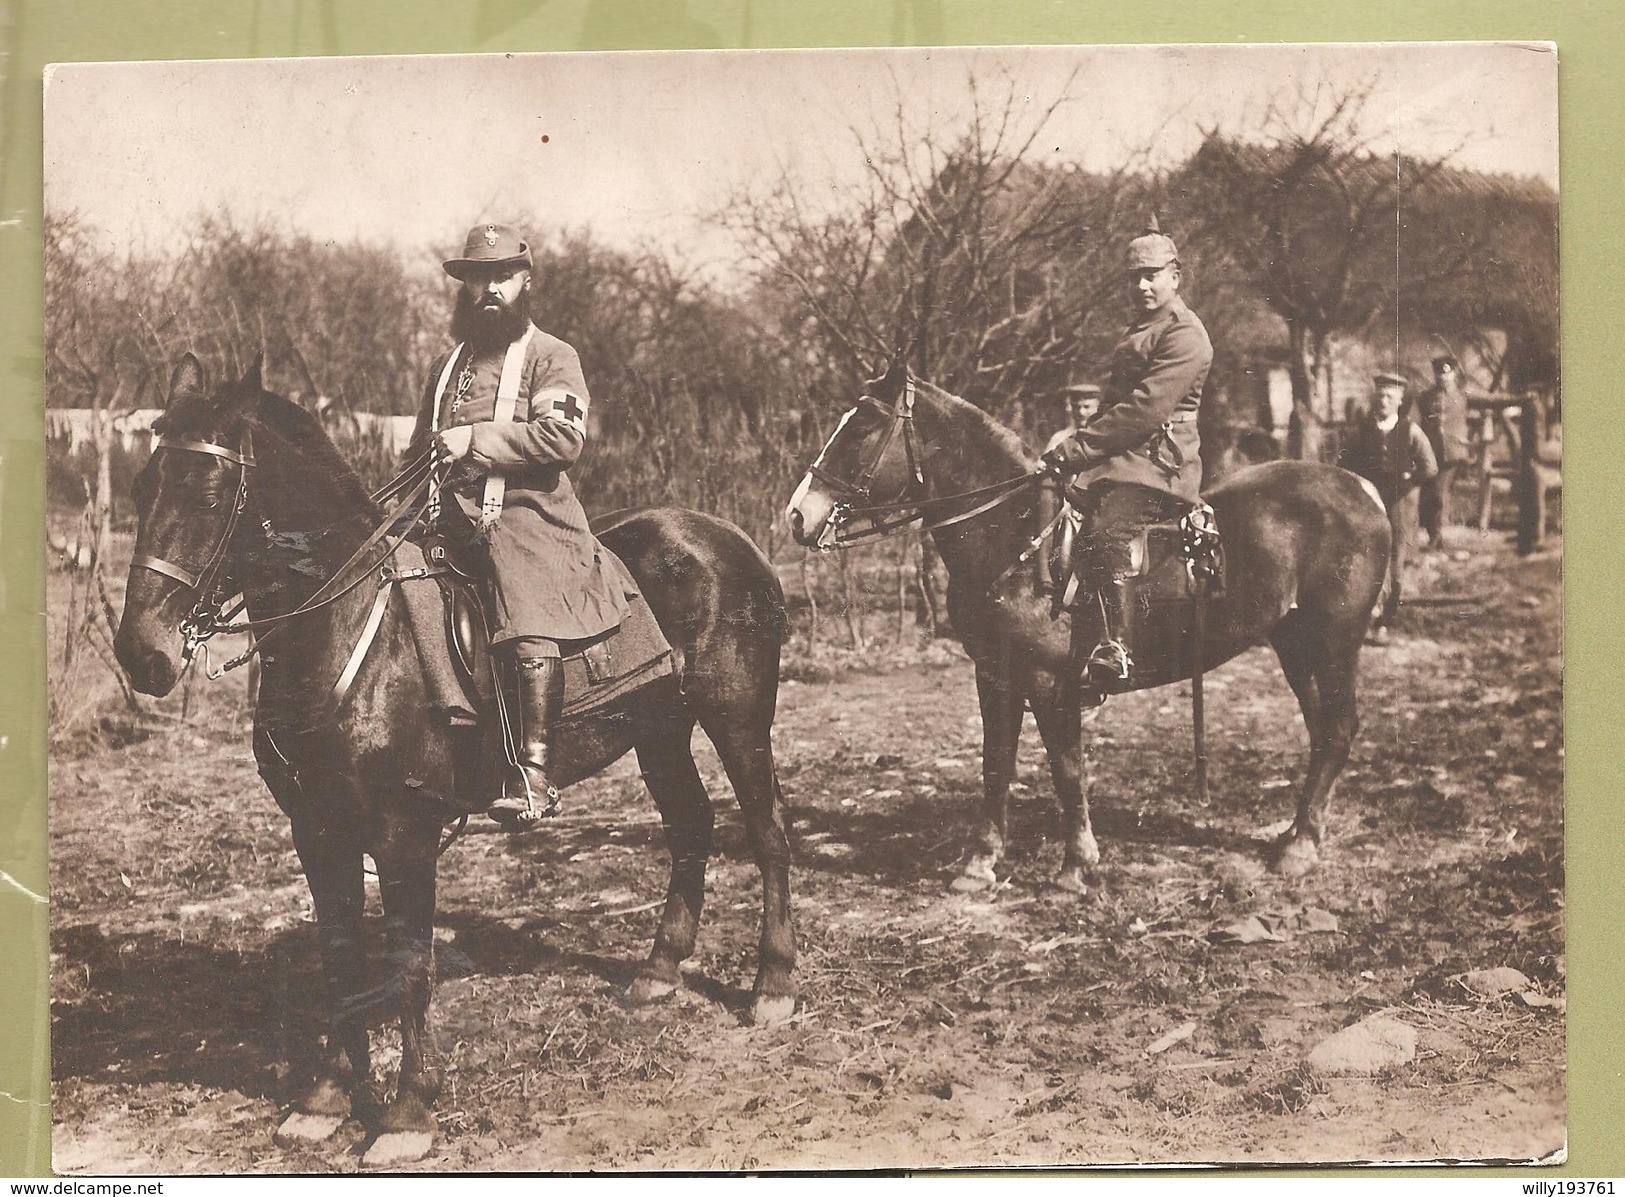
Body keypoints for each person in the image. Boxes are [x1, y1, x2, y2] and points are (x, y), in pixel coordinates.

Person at [409, 222, 632, 831]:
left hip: (529, 517)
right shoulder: (444, 366)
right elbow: (415, 456)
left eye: (502, 276)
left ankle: (532, 774)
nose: (489, 288)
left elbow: (562, 438)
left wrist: (475, 440)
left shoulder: (552, 356)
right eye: (477, 277)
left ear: (524, 281)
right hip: (444, 518)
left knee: (519, 592)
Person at [1042, 217, 1213, 688]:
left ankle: (1114, 646)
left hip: (1159, 464)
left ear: (1174, 277)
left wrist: (1076, 450)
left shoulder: (1184, 334)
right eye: (1134, 277)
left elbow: (1143, 409)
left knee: (1108, 530)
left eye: (1151, 274)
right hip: (1122, 460)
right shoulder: (1141, 328)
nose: (1141, 285)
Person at [1338, 372, 1438, 639]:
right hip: (1368, 503)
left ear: (1399, 401)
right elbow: (1342, 465)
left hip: (1400, 505)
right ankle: (1363, 618)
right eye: (1379, 396)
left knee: (1395, 564)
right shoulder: (1360, 431)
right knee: (1364, 559)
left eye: (1389, 397)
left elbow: (1430, 468)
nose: (1383, 402)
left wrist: (1409, 481)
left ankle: (1386, 621)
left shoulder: (1411, 431)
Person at [1033, 384, 1101, 600]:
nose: (1081, 412)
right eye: (1077, 406)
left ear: (1098, 406)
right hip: (1063, 501)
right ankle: (1044, 574)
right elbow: (1044, 466)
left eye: (1087, 406)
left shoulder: (1103, 435)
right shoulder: (1060, 438)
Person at [1415, 354, 1472, 549]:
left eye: (1446, 374)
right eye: (1439, 374)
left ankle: (1435, 537)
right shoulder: (1426, 397)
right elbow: (1415, 419)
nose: (1442, 378)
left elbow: (1493, 399)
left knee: (1438, 493)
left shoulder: (1464, 396)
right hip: (1430, 452)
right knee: (1431, 493)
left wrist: (1521, 398)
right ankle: (1435, 536)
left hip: (1453, 453)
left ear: (1454, 374)